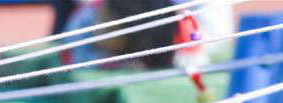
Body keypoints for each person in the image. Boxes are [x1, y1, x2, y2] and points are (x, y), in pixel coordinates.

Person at [61, 0, 232, 69]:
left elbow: (199, 55)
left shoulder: (185, 26)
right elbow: (72, 56)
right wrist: (108, 62)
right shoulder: (88, 16)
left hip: (173, 31)